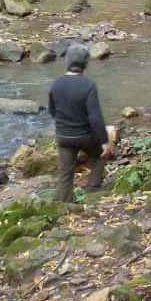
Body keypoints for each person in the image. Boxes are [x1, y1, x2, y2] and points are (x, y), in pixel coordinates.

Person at [48, 43, 112, 203]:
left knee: (65, 172)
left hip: (63, 136)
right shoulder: (88, 85)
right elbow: (95, 117)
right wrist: (105, 142)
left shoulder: (56, 84)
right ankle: (93, 191)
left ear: (67, 62)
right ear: (86, 64)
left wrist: (64, 125)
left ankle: (64, 202)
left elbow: (52, 111)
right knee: (98, 156)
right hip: (84, 136)